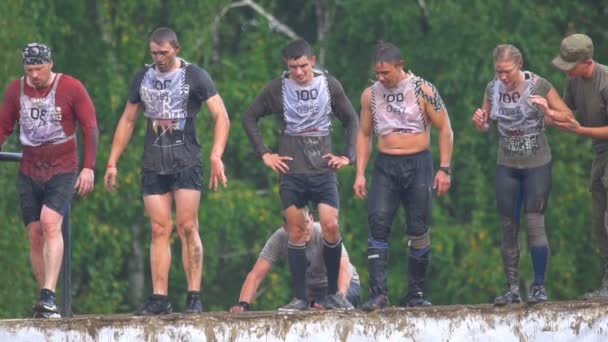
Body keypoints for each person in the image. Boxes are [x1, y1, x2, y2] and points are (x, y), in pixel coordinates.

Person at [104, 27, 230, 315]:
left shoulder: (195, 76)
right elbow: (127, 120)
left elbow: (221, 116)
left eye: (164, 52)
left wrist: (216, 155)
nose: (159, 58)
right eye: (154, 53)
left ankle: (194, 295)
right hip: (153, 161)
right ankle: (159, 297)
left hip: (186, 160)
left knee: (187, 226)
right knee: (159, 228)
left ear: (176, 49)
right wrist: (112, 162)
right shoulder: (142, 78)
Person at [241, 39, 358, 311]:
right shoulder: (277, 89)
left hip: (322, 170)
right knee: (295, 231)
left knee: (330, 225)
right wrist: (265, 153)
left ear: (313, 61)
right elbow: (249, 117)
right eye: (293, 67)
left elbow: (351, 118)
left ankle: (332, 294)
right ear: (287, 65)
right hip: (292, 172)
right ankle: (301, 298)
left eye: (303, 66)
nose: (299, 72)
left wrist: (348, 156)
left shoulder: (329, 85)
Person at [0, 43, 98, 318]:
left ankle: (49, 295)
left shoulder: (71, 88)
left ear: (50, 64)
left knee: (50, 222)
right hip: (30, 167)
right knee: (34, 233)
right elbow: (3, 126)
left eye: (38, 69)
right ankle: (46, 299)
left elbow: (90, 127)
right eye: (29, 69)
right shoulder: (15, 91)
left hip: (62, 166)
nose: (34, 75)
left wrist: (89, 168)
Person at [353, 42, 453, 309]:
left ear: (400, 65)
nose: (381, 78)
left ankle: (416, 294)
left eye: (386, 72)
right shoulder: (370, 95)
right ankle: (379, 294)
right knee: (378, 223)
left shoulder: (423, 89)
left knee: (418, 227)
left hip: (418, 163)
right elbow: (363, 133)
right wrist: (360, 173)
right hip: (386, 165)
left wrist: (445, 168)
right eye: (377, 73)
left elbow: (445, 128)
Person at [471, 44, 573, 305]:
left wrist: (548, 111)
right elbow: (485, 124)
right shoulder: (492, 88)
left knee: (534, 223)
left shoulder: (538, 85)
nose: (503, 77)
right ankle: (512, 289)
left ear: (519, 64)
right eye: (498, 72)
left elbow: (568, 117)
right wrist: (480, 122)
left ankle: (539, 286)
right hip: (507, 164)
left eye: (507, 72)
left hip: (537, 163)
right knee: (508, 227)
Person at [551, 33, 608, 300]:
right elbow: (568, 112)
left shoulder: (605, 81)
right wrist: (545, 112)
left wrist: (581, 130)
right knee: (598, 224)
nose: (567, 71)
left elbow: (580, 126)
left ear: (587, 62)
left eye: (570, 65)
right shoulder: (573, 81)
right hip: (600, 156)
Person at [229, 208, 360, 312]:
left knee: (328, 307)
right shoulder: (280, 238)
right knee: (306, 312)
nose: (304, 229)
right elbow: (256, 275)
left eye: (307, 222)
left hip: (344, 286)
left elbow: (344, 268)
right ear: (286, 227)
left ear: (312, 218)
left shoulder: (322, 232)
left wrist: (339, 298)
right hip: (312, 294)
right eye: (298, 225)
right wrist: (243, 305)